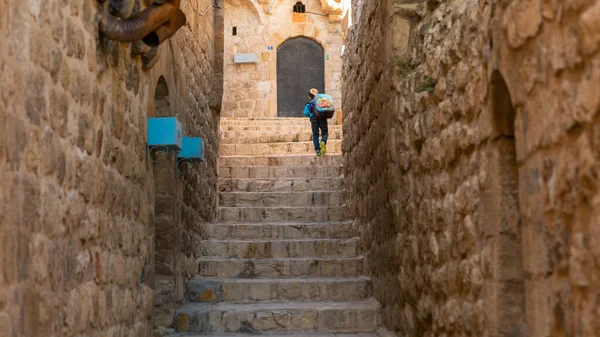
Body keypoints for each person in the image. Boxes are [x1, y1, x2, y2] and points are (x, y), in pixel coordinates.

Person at [303, 88, 328, 156]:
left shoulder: (309, 104)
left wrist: (311, 115)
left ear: (309, 97)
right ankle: (323, 141)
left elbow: (306, 113)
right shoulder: (321, 102)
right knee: (324, 132)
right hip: (322, 118)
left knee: (315, 134)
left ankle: (317, 150)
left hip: (314, 119)